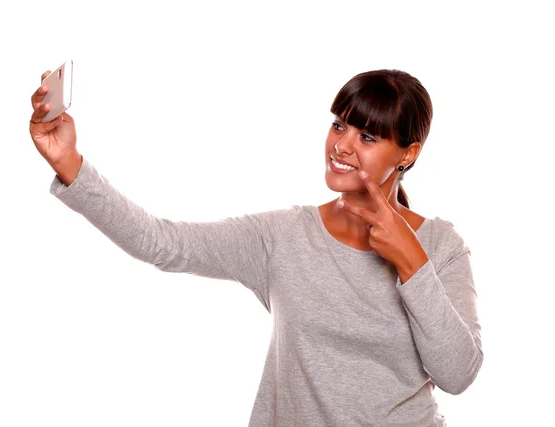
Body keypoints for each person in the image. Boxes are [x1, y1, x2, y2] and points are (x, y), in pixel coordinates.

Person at [29, 68, 483, 427]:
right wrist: (69, 162)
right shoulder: (283, 237)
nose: (341, 146)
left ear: (407, 153)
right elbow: (161, 242)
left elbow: (458, 375)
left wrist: (410, 260)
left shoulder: (440, 246)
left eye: (367, 136)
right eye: (339, 125)